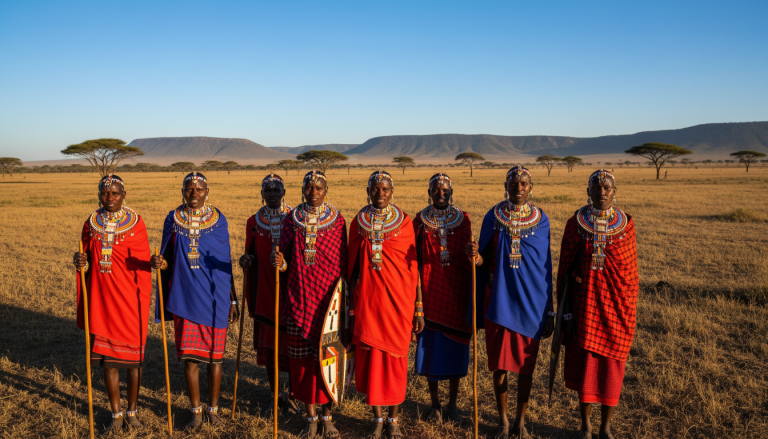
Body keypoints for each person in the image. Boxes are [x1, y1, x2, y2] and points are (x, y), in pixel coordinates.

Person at [467, 165, 554, 439]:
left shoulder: (541, 221)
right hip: (499, 301)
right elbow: (484, 261)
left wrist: (550, 310)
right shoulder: (493, 217)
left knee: (526, 367)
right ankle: (503, 421)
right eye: (514, 183)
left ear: (531, 188)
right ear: (505, 186)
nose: (519, 187)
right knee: (500, 365)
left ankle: (521, 422)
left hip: (531, 304)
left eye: (524, 183)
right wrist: (476, 257)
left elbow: (545, 267)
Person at [150, 172, 239, 429]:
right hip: (185, 296)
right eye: (189, 189)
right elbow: (168, 257)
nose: (194, 193)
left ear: (207, 192)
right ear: (182, 191)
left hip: (215, 297)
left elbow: (225, 262)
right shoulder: (173, 219)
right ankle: (196, 412)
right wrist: (160, 263)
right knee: (190, 359)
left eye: (199, 189)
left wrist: (233, 300)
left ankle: (213, 410)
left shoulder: (218, 220)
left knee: (215, 358)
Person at [556, 170, 639, 439]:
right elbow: (565, 272)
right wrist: (567, 314)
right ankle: (586, 426)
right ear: (588, 191)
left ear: (615, 192)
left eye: (607, 188)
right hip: (584, 308)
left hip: (617, 310)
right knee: (586, 367)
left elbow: (630, 276)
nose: (602, 192)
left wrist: (626, 307)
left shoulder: (626, 226)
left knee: (611, 367)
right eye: (596, 187)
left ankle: (605, 427)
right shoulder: (576, 224)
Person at [73, 174, 152, 432]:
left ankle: (132, 412)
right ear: (99, 195)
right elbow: (86, 259)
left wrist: (155, 264)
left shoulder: (136, 224)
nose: (110, 197)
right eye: (105, 193)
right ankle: (116, 414)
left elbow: (143, 263)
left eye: (115, 193)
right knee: (109, 361)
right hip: (102, 299)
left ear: (123, 195)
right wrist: (81, 263)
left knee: (133, 361)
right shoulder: (91, 223)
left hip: (130, 300)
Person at [272, 170, 347, 437]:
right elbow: (285, 259)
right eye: (308, 187)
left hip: (329, 303)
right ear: (302, 190)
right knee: (303, 362)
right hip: (299, 298)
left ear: (326, 190)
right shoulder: (291, 220)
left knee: (328, 359)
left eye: (319, 187)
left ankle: (327, 416)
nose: (313, 192)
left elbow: (343, 262)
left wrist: (344, 302)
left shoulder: (338, 220)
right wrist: (281, 263)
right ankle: (311, 417)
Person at [348, 170, 422, 439]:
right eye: (375, 188)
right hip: (369, 302)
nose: (380, 193)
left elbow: (414, 269)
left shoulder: (404, 222)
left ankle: (393, 419)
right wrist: (350, 307)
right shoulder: (359, 222)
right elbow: (351, 269)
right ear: (367, 191)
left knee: (395, 363)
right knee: (372, 362)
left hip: (398, 304)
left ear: (392, 192)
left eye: (385, 189)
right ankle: (378, 419)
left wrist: (418, 308)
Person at [412, 173, 473, 423]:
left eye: (445, 190)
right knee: (432, 351)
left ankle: (453, 405)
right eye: (436, 190)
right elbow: (415, 262)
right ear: (429, 193)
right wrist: (418, 304)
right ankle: (435, 405)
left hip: (457, 294)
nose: (440, 193)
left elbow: (469, 257)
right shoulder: (420, 221)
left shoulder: (463, 220)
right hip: (429, 293)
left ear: (451, 192)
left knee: (456, 351)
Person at [239, 173, 299, 417]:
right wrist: (247, 260)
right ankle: (275, 395)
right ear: (262, 193)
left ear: (284, 192)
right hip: (264, 291)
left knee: (292, 347)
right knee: (270, 347)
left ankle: (293, 395)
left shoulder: (296, 218)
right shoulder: (254, 221)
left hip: (291, 292)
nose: (272, 194)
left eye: (276, 190)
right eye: (268, 190)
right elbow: (251, 252)